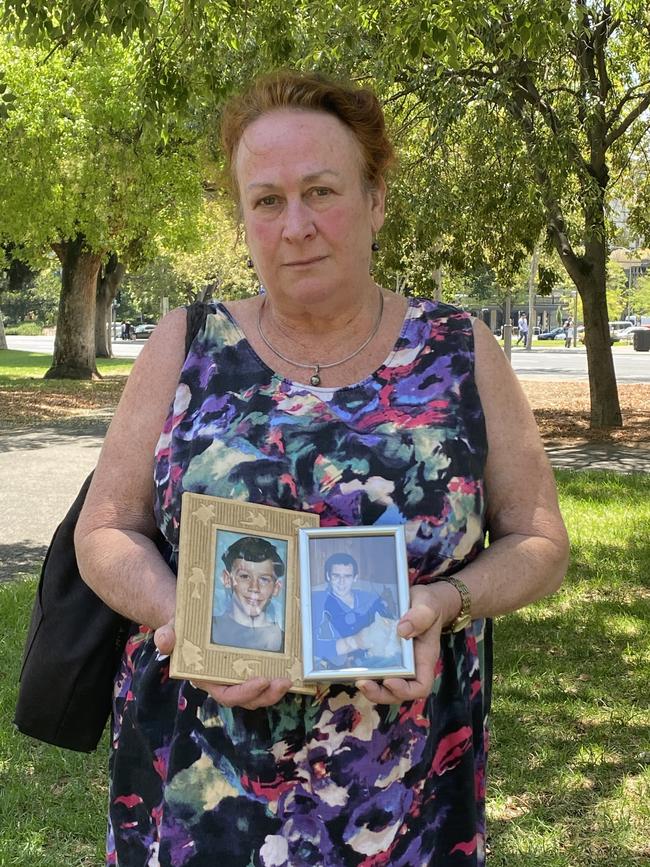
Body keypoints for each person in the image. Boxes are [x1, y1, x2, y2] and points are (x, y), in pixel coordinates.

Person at [75, 70, 569, 867]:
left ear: (375, 201)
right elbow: (105, 530)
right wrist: (192, 619)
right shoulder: (183, 342)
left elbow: (541, 539)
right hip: (199, 788)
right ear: (244, 220)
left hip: (406, 795)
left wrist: (445, 601)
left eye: (322, 191)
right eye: (267, 200)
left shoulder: (460, 349)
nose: (295, 224)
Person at [313, 552, 397, 669]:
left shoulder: (370, 598)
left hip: (374, 659)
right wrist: (354, 642)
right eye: (336, 576)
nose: (341, 582)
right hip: (337, 666)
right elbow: (311, 646)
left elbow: (391, 626)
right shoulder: (316, 602)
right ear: (328, 576)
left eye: (347, 576)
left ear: (355, 578)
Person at [212, 535, 285, 652]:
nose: (254, 588)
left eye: (264, 579)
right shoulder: (208, 629)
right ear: (227, 579)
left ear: (276, 588)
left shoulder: (286, 642)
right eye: (244, 576)